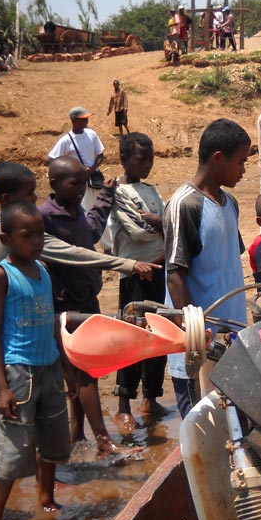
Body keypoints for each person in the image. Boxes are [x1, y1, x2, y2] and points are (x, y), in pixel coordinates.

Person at [0, 201, 72, 520]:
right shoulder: (0, 275)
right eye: (27, 236)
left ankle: (46, 497)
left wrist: (65, 363)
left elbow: (53, 319)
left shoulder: (43, 269)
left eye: (40, 233)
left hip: (49, 366)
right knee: (11, 452)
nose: (36, 241)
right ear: (7, 238)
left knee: (52, 442)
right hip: (18, 373)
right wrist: (3, 387)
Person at [40, 157, 135, 455]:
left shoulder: (74, 210)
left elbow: (91, 232)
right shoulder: (45, 217)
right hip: (65, 306)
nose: (81, 189)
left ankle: (77, 434)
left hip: (86, 300)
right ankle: (103, 440)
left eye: (83, 182)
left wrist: (105, 195)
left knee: (77, 375)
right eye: (74, 183)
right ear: (54, 185)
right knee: (85, 373)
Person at [164, 118, 248, 419]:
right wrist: (195, 334)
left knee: (235, 431)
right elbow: (175, 274)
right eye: (240, 162)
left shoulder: (230, 203)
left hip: (233, 338)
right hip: (200, 346)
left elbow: (227, 265)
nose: (243, 171)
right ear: (217, 158)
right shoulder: (185, 205)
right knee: (201, 433)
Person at [0, 161, 157, 276]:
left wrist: (105, 195)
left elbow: (90, 232)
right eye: (29, 193)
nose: (34, 198)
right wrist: (128, 264)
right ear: (7, 199)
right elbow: (74, 253)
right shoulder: (25, 231)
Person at [108, 133, 169, 432]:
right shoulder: (118, 192)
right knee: (131, 336)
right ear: (123, 159)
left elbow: (163, 223)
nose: (146, 164)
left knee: (159, 334)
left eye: (150, 158)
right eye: (140, 158)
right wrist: (161, 221)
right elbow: (139, 231)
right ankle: (123, 404)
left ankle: (151, 397)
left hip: (158, 269)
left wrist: (159, 220)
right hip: (134, 273)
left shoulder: (151, 190)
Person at [47, 107, 105, 215]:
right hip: (78, 183)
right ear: (74, 121)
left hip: (93, 181)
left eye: (87, 118)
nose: (86, 121)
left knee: (97, 209)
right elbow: (51, 160)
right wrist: (68, 174)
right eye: (83, 119)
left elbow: (101, 155)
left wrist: (92, 169)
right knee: (82, 210)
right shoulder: (66, 140)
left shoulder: (92, 134)